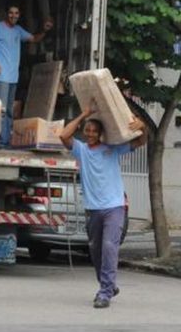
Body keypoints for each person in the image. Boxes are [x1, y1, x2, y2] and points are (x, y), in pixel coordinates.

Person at [59, 101, 147, 309]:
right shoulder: (81, 150)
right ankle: (108, 284)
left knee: (109, 246)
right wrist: (84, 115)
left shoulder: (113, 149)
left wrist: (141, 125)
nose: (90, 134)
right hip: (93, 208)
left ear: (101, 133)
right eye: (87, 130)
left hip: (114, 206)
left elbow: (141, 141)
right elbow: (64, 136)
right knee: (95, 249)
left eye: (94, 131)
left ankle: (105, 292)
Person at [0, 5, 53, 147]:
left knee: (10, 111)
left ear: (19, 15)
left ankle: (5, 141)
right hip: (2, 77)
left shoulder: (18, 30)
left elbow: (34, 39)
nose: (13, 15)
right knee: (2, 110)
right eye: (11, 13)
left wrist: (44, 30)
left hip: (13, 77)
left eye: (16, 13)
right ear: (6, 14)